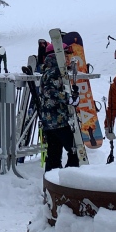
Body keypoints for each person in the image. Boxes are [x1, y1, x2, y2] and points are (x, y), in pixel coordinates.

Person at [39, 42, 79, 171]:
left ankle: (52, 180)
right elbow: (51, 92)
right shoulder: (54, 71)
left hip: (50, 121)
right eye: (65, 56)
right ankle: (71, 178)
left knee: (54, 154)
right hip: (59, 120)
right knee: (74, 151)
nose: (68, 59)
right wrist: (70, 99)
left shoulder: (48, 70)